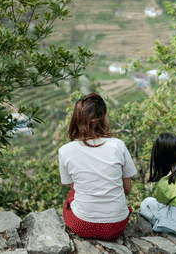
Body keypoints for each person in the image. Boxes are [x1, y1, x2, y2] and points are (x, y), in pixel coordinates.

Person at [58, 93, 137, 241]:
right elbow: (127, 189)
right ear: (104, 117)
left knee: (71, 196)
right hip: (116, 226)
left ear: (76, 119)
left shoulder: (65, 150)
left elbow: (75, 187)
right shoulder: (118, 145)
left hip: (83, 225)